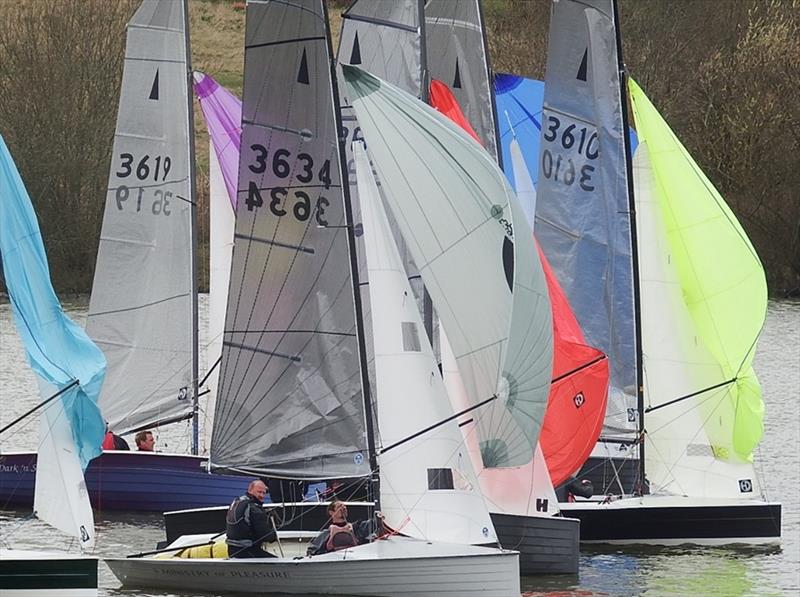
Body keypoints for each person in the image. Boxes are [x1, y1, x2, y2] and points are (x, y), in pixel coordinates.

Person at [306, 499, 382, 556]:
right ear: (331, 512)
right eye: (340, 506)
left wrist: (379, 518)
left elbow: (374, 523)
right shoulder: (326, 533)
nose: (344, 508)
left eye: (345, 506)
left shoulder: (356, 528)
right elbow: (312, 550)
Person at [226, 480, 277, 558]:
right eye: (259, 492)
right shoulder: (255, 508)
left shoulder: (238, 501)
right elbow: (267, 536)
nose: (262, 496)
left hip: (231, 549)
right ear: (250, 490)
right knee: (275, 562)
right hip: (247, 550)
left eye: (264, 493)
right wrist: (273, 533)